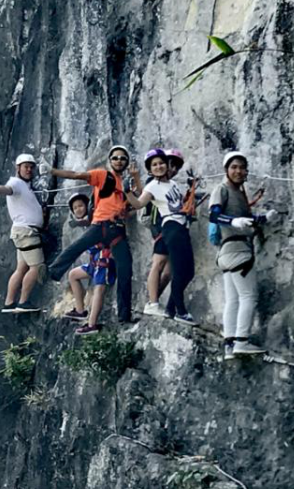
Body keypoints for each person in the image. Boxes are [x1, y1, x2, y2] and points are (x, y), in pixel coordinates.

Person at [47, 145, 141, 323]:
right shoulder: (103, 175)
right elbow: (76, 175)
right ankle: (52, 272)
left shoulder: (127, 184)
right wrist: (52, 171)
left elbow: (139, 202)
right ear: (110, 160)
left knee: (125, 270)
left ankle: (124, 315)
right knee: (76, 247)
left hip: (117, 229)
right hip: (100, 225)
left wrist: (136, 178)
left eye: (122, 158)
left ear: (127, 162)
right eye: (115, 158)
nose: (119, 161)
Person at [209, 151, 279, 359]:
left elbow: (247, 221)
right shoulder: (221, 189)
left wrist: (264, 218)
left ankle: (229, 344)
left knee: (232, 299)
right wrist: (231, 222)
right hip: (237, 250)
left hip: (228, 253)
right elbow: (213, 213)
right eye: (234, 167)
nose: (238, 171)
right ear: (226, 170)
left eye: (242, 167)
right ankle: (242, 341)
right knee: (248, 296)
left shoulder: (239, 194)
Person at [126, 149, 198, 324]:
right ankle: (179, 311)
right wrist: (127, 192)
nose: (159, 167)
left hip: (181, 227)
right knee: (180, 270)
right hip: (171, 227)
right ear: (150, 170)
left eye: (161, 163)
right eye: (154, 165)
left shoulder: (172, 184)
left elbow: (179, 204)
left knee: (187, 271)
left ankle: (172, 309)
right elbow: (139, 203)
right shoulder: (152, 186)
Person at [0, 154, 46, 313]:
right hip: (27, 232)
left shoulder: (24, 185)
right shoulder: (16, 183)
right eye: (26, 166)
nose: (29, 170)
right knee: (37, 267)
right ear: (18, 168)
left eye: (31, 167)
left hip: (22, 231)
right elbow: (8, 190)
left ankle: (9, 302)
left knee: (21, 268)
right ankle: (23, 302)